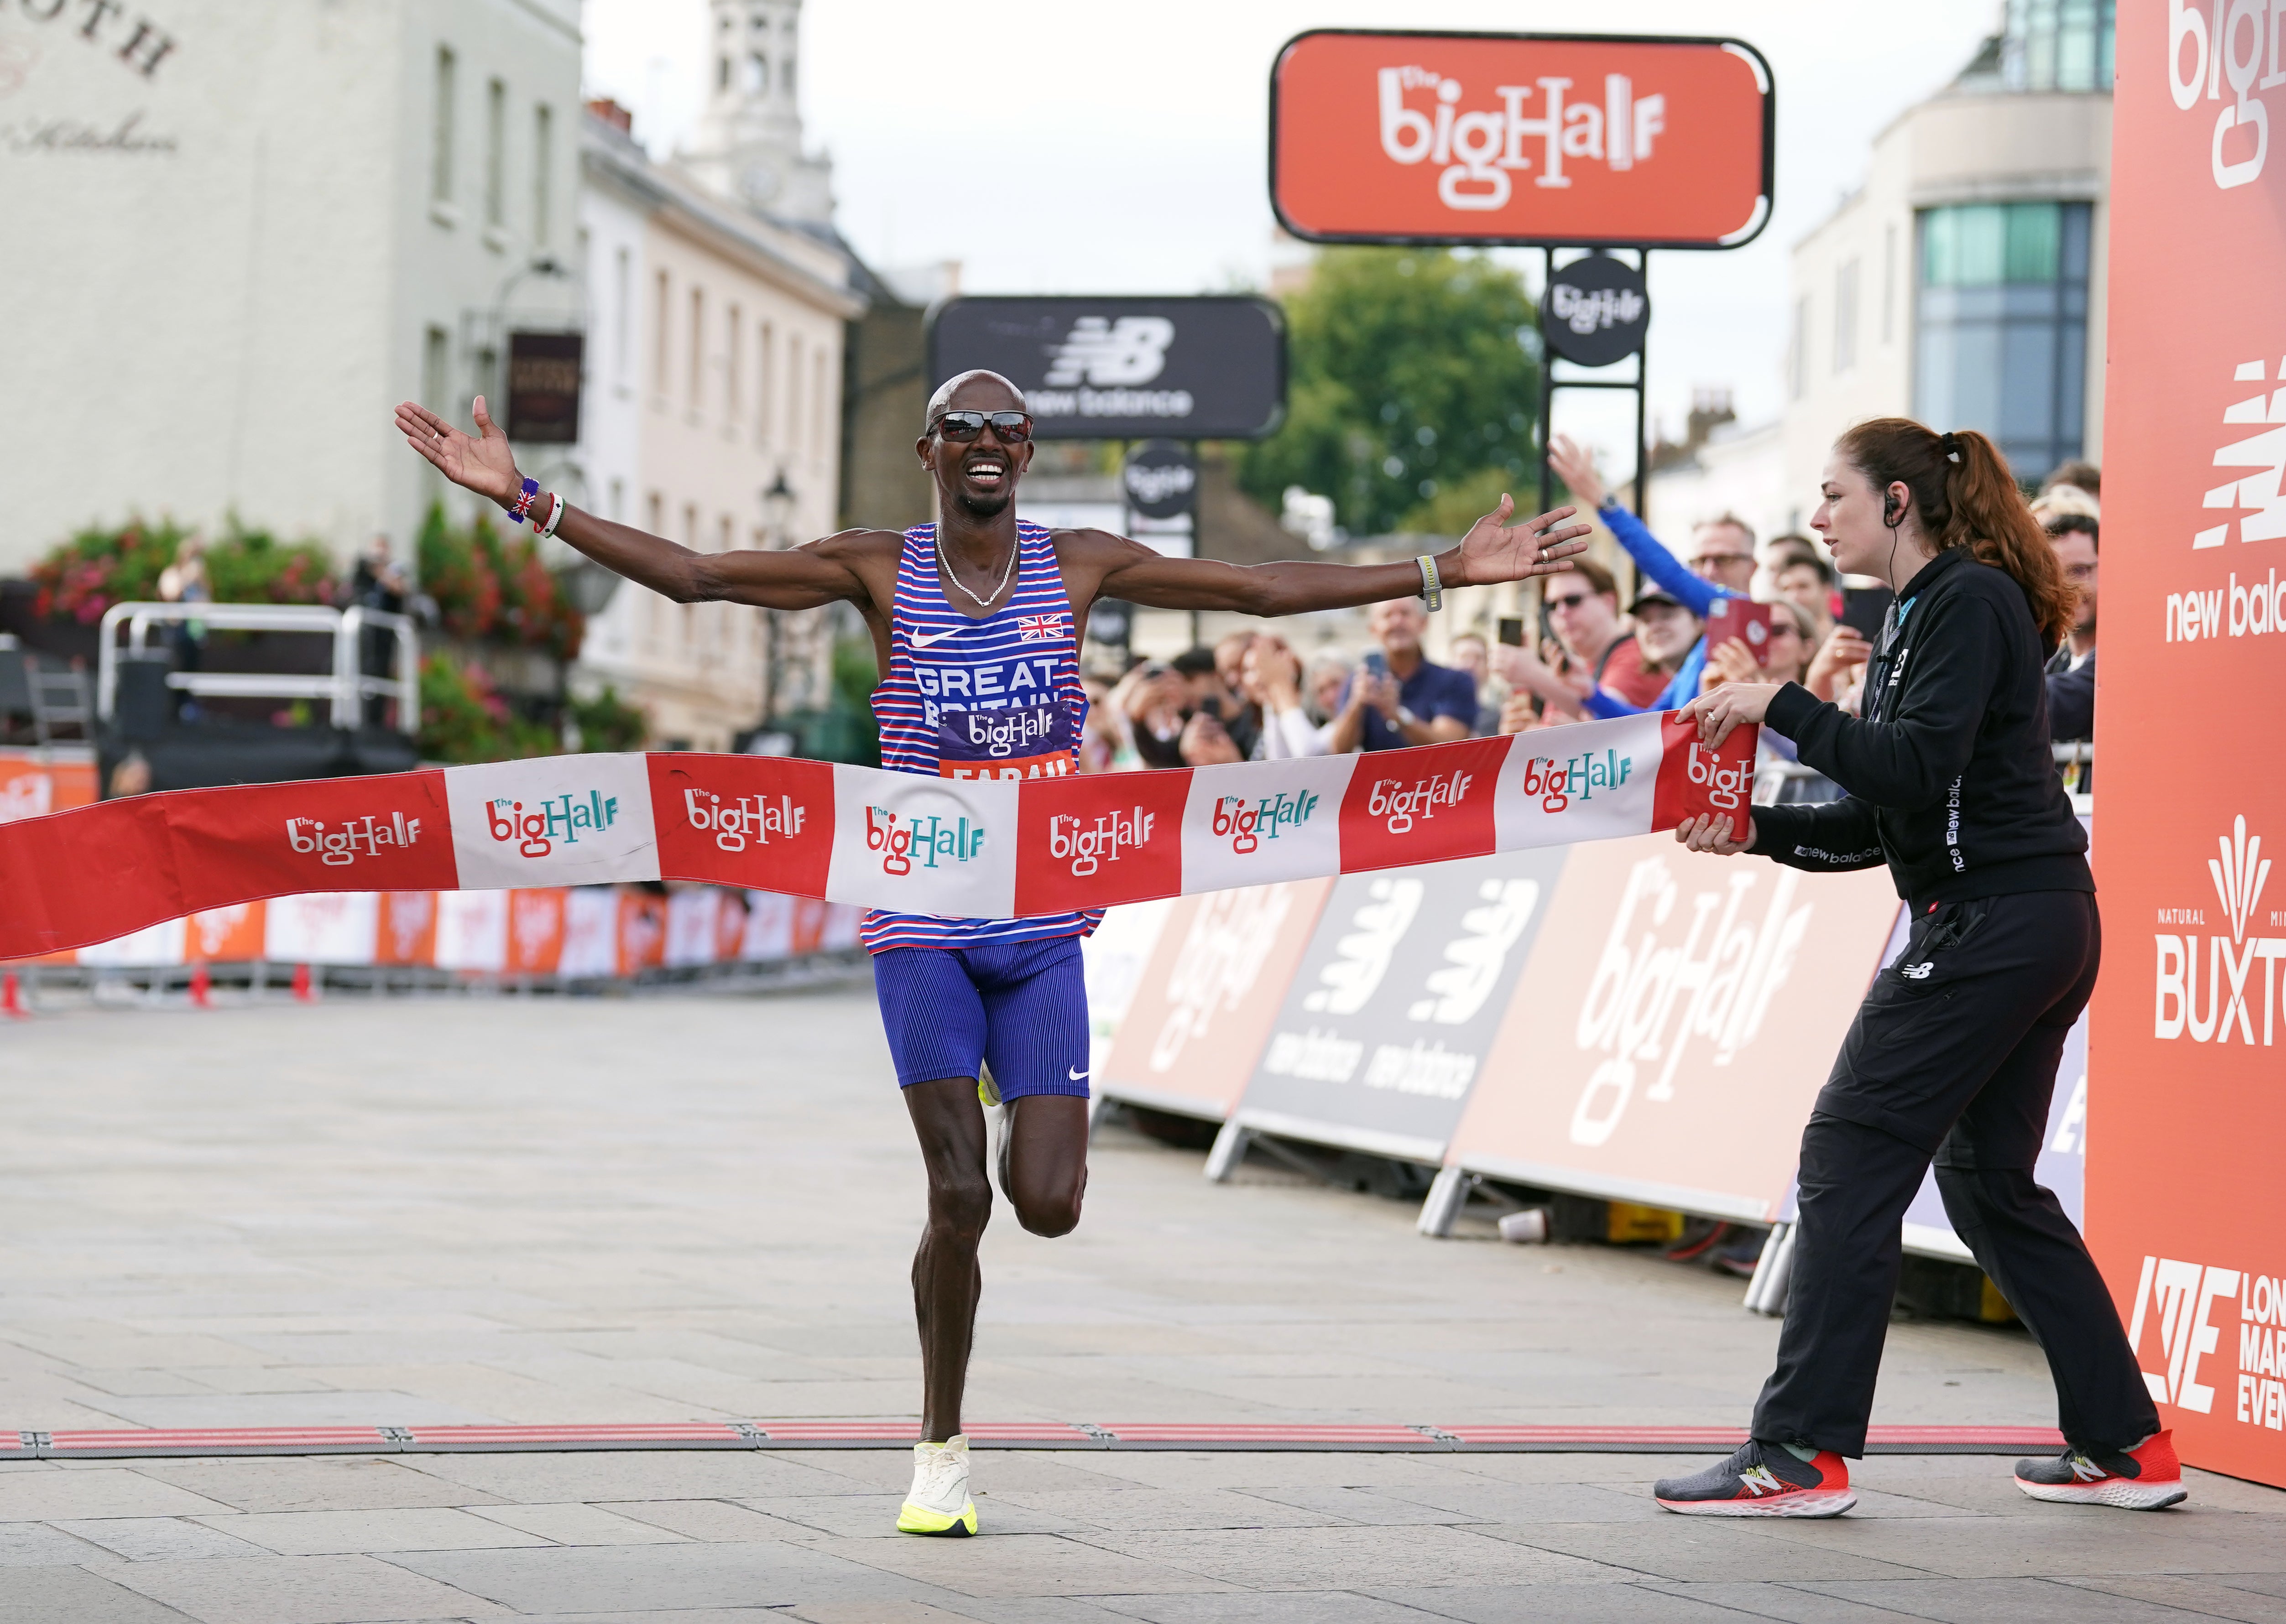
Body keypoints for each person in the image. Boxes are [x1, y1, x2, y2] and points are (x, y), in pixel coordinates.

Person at [393, 372, 1590, 1537]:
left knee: (1047, 1203)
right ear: (930, 452)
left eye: (1003, 429)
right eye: (958, 426)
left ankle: (1021, 1114)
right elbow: (702, 577)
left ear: (1024, 453)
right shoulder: (877, 565)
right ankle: (940, 1450)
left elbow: (1261, 586)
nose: (981, 442)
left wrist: (1440, 569)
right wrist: (528, 500)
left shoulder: (1079, 563)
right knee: (956, 1195)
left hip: (1041, 926)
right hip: (919, 921)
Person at [1657, 418, 2176, 1519]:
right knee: (1987, 1185)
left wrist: (1782, 705)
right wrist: (1748, 826)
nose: (1814, 516)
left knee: (1846, 1152)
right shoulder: (1925, 608)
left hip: (1997, 923)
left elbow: (1910, 762)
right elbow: (1881, 812)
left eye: (1831, 494)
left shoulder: (1964, 597)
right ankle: (2125, 1444)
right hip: (2014, 918)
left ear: (1897, 501)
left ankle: (1797, 1452)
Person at [1547, 435, 1742, 713]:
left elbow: (1668, 572)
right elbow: (1654, 726)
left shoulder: (1739, 610)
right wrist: (1590, 693)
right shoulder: (1703, 650)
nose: (1709, 571)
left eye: (1724, 559)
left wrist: (1604, 502)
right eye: (1698, 562)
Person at [1324, 597, 1480, 753]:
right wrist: (1357, 705)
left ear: (1423, 623)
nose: (1397, 622)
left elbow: (1448, 747)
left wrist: (1398, 715)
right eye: (1388, 615)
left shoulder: (1455, 681)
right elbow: (1339, 750)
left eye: (1405, 614)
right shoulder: (1359, 683)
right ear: (1373, 629)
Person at [1538, 555, 1668, 708]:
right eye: (1552, 606)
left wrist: (1534, 674)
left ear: (1608, 602)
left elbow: (1605, 721)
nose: (1561, 612)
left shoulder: (1635, 656)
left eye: (1573, 600)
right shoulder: (1577, 668)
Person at [2042, 513, 2097, 745]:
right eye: (2056, 575)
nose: (2068, 587)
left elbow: (2064, 705)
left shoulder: (2124, 660)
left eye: (2079, 571)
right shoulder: (2054, 663)